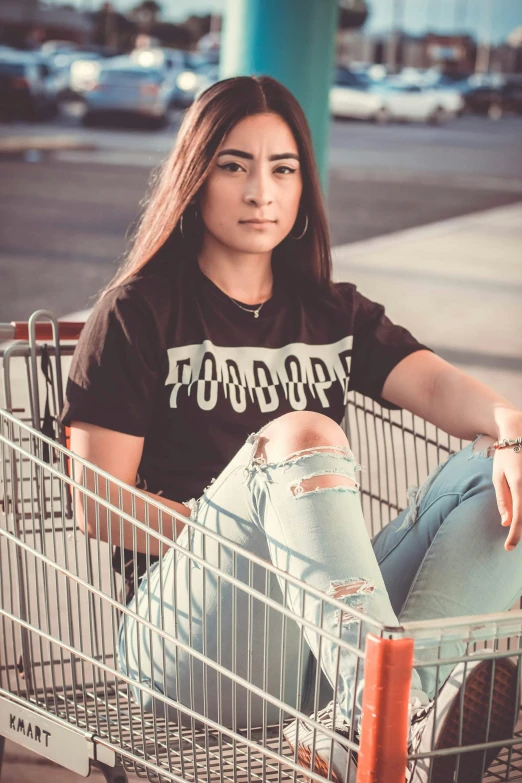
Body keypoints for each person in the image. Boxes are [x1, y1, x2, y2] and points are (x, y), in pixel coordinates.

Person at [61, 75, 522, 782]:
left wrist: (511, 427)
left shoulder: (331, 311)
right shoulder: (138, 314)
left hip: (319, 636)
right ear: (195, 175)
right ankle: (385, 713)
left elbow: (430, 381)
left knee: (498, 477)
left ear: (304, 185)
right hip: (190, 640)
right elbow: (99, 503)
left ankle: (384, 721)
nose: (260, 192)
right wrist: (258, 532)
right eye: (234, 166)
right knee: (302, 433)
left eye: (282, 169)